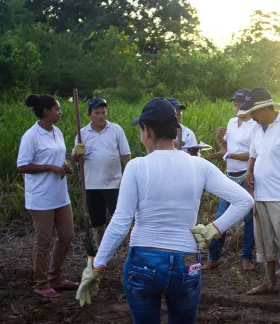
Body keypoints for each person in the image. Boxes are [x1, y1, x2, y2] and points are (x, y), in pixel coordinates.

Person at [75, 97, 254, 324]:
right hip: (186, 263)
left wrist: (96, 267)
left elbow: (120, 223)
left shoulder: (137, 166)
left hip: (143, 262)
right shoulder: (199, 165)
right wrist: (214, 229)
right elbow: (244, 200)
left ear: (147, 130)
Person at [239, 87, 280, 298]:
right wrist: (249, 170)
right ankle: (270, 282)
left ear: (266, 108)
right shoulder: (257, 128)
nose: (251, 117)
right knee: (264, 240)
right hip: (260, 194)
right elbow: (253, 154)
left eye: (254, 112)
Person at [17, 94, 77, 297]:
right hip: (41, 197)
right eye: (57, 109)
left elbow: (58, 157)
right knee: (43, 240)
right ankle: (41, 283)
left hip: (60, 195)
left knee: (67, 235)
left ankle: (56, 277)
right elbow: (22, 166)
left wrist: (64, 166)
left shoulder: (57, 132)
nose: (60, 112)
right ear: (46, 112)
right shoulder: (31, 136)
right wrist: (51, 168)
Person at [205, 88, 257, 271]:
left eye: (239, 104)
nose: (236, 107)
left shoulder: (255, 126)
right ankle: (213, 257)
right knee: (221, 217)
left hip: (246, 175)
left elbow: (252, 154)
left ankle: (246, 258)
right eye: (234, 104)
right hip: (230, 176)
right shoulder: (232, 123)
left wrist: (227, 153)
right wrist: (220, 139)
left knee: (249, 219)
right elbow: (226, 149)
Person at [71, 98, 131, 247]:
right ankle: (101, 251)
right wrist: (76, 154)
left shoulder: (116, 129)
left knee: (122, 219)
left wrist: (129, 179)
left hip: (114, 184)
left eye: (103, 112)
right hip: (91, 185)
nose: (101, 116)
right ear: (89, 115)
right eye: (96, 113)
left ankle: (131, 249)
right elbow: (75, 159)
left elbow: (126, 155)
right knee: (97, 222)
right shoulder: (82, 133)